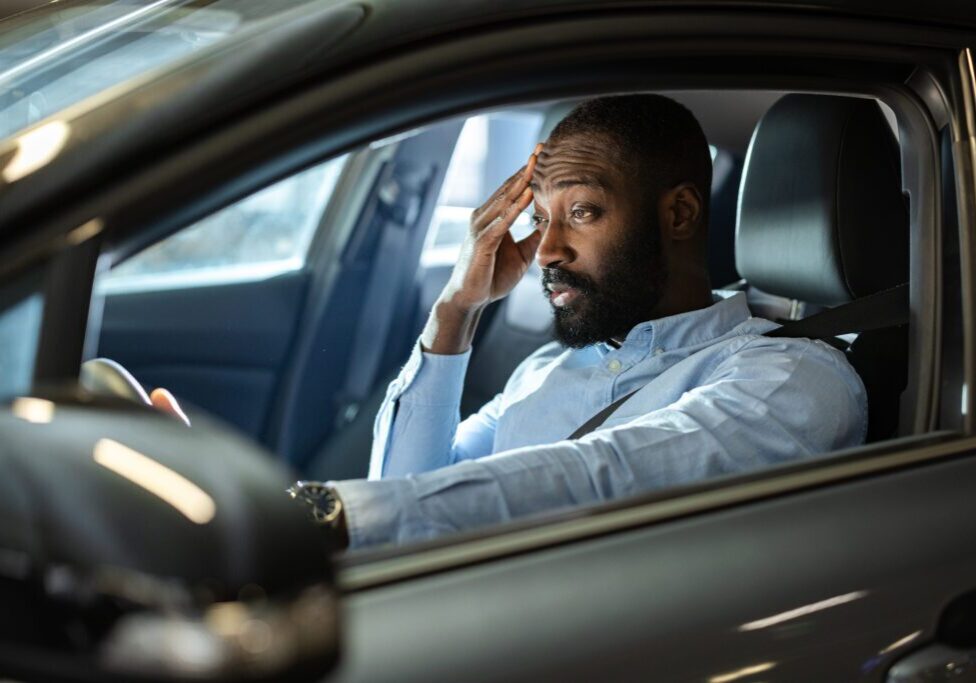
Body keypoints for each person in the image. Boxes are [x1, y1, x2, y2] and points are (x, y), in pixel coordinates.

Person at [161, 95, 868, 550]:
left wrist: (295, 516)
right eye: (539, 218)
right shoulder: (549, 370)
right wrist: (457, 309)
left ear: (679, 214)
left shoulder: (795, 378)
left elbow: (605, 476)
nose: (549, 249)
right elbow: (408, 491)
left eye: (583, 212)